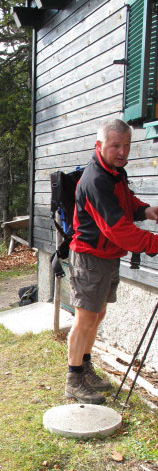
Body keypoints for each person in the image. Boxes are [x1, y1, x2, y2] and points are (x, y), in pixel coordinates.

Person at [65, 118, 158, 404]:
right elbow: (117, 229)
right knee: (84, 319)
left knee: (98, 315)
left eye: (127, 146)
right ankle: (73, 379)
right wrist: (154, 244)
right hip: (89, 258)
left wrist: (146, 210)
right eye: (115, 145)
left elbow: (126, 202)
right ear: (100, 145)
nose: (122, 151)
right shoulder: (95, 180)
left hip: (108, 257)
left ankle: (86, 367)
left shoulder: (116, 173)